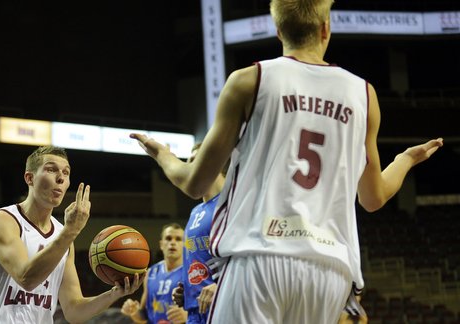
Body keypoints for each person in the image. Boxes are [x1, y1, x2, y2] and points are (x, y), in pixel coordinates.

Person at [130, 0, 444, 321]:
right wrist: (405, 160)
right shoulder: (364, 94)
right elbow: (373, 198)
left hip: (261, 256)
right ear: (325, 29)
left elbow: (195, 182)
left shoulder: (249, 80)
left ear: (278, 31)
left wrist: (162, 154)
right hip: (329, 270)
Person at [0, 145, 142, 323]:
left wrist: (115, 293)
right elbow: (26, 278)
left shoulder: (63, 237)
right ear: (29, 178)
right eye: (51, 170)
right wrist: (71, 231)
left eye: (66, 172)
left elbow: (74, 311)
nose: (61, 178)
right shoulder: (1, 221)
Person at [171, 143, 226, 324]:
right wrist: (188, 291)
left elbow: (251, 255)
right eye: (188, 162)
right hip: (196, 311)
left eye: (196, 160)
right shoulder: (196, 211)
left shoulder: (232, 202)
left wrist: (220, 286)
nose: (190, 167)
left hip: (224, 306)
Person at [121, 223, 188, 323]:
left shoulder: (191, 271)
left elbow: (207, 306)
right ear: (161, 244)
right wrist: (133, 312)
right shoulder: (151, 272)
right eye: (168, 238)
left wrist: (188, 315)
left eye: (178, 239)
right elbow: (143, 316)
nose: (173, 242)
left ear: (184, 245)